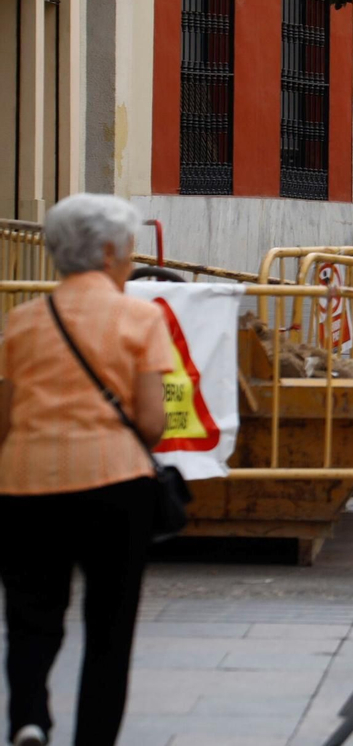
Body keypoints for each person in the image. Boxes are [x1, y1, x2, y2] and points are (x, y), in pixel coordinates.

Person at [0, 194, 173, 746]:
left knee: (30, 617)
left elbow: (3, 421)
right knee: (109, 628)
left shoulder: (20, 322)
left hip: (25, 482)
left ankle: (29, 718)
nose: (130, 261)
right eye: (126, 251)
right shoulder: (142, 318)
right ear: (106, 253)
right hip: (115, 485)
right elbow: (151, 423)